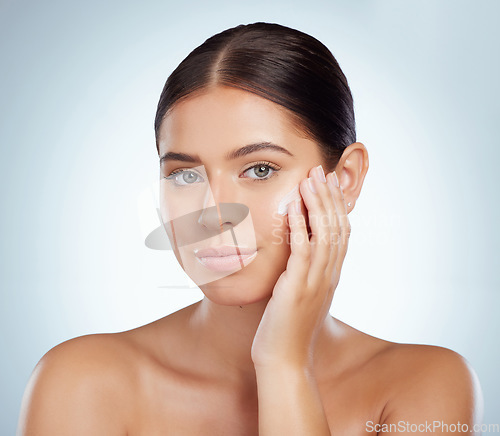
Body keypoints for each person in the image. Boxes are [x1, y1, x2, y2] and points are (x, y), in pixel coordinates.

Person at [17, 22, 483, 435]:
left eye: (259, 169)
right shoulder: (82, 383)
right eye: (185, 174)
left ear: (344, 180)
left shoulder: (424, 386)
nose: (212, 212)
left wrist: (284, 366)